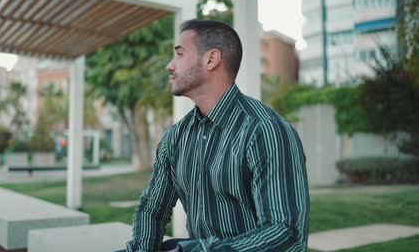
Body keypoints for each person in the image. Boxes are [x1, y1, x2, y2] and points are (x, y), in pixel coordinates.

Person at [123, 19, 309, 252]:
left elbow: (285, 232)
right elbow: (152, 209)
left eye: (179, 55)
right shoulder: (175, 137)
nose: (170, 65)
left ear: (211, 59)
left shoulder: (265, 131)